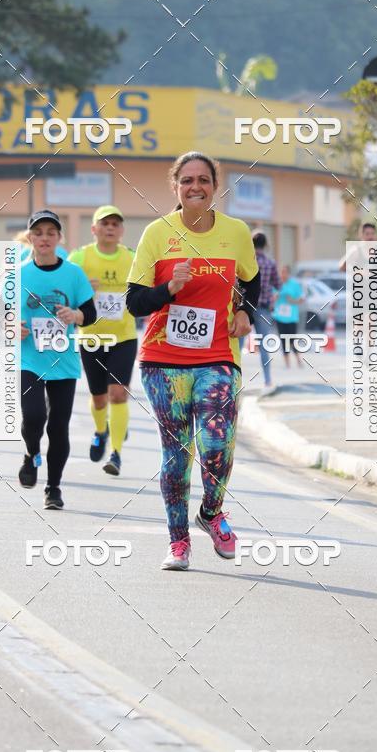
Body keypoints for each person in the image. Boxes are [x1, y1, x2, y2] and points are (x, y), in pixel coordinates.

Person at [126, 151, 259, 571]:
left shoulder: (236, 233)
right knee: (176, 453)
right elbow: (133, 302)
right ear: (176, 187)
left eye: (203, 179)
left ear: (214, 186)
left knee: (218, 442)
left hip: (218, 354)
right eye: (187, 181)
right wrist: (168, 288)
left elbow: (252, 281)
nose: (195, 187)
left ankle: (211, 511)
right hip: (163, 360)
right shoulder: (156, 233)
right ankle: (178, 541)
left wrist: (245, 312)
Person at [18, 210, 96, 509]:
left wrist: (76, 315)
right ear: (30, 238)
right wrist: (12, 325)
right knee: (35, 416)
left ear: (59, 238)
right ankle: (31, 453)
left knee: (58, 426)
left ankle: (53, 488)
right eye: (39, 233)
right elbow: (0, 314)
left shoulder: (73, 273)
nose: (45, 238)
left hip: (63, 361)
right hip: (29, 359)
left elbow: (90, 312)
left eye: (51, 233)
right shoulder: (19, 274)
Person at [68, 205, 137, 477]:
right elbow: (65, 292)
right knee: (99, 399)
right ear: (94, 229)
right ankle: (101, 430)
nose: (110, 228)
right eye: (104, 223)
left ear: (121, 230)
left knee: (118, 393)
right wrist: (83, 287)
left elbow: (146, 289)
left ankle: (116, 453)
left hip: (124, 337)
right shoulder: (80, 257)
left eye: (115, 224)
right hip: (92, 338)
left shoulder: (132, 258)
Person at [248, 231, 280, 387]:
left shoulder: (247, 260)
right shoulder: (270, 263)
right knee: (264, 346)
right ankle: (267, 380)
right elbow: (278, 285)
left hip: (245, 308)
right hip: (264, 308)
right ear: (266, 244)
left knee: (238, 346)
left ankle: (235, 380)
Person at [272, 265, 305, 368]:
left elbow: (302, 299)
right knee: (283, 340)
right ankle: (287, 364)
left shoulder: (294, 284)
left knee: (292, 339)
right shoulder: (276, 285)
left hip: (292, 317)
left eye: (285, 272)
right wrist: (275, 297)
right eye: (281, 272)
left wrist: (293, 300)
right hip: (279, 317)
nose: (283, 274)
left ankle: (298, 360)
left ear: (289, 273)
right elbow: (271, 299)